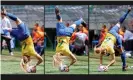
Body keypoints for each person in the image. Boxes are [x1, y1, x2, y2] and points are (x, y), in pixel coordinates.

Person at [1, 7, 43, 73]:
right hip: (20, 37)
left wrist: (35, 65)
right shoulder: (23, 53)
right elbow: (25, 58)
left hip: (25, 34)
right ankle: (3, 27)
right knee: (8, 30)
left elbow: (41, 60)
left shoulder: (32, 52)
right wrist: (28, 65)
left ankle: (6, 13)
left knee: (17, 20)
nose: (30, 60)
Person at [94, 7, 131, 71]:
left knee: (121, 51)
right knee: (119, 22)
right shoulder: (101, 48)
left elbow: (114, 60)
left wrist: (107, 66)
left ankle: (124, 66)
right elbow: (100, 58)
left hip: (116, 37)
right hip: (111, 32)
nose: (104, 53)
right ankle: (128, 11)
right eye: (104, 52)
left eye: (104, 52)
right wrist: (100, 65)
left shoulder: (109, 48)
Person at [53, 7, 86, 72]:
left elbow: (74, 60)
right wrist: (64, 67)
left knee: (74, 24)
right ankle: (58, 15)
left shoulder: (67, 52)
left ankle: (81, 20)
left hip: (66, 33)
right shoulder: (57, 50)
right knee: (60, 20)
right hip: (60, 33)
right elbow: (59, 59)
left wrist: (68, 66)